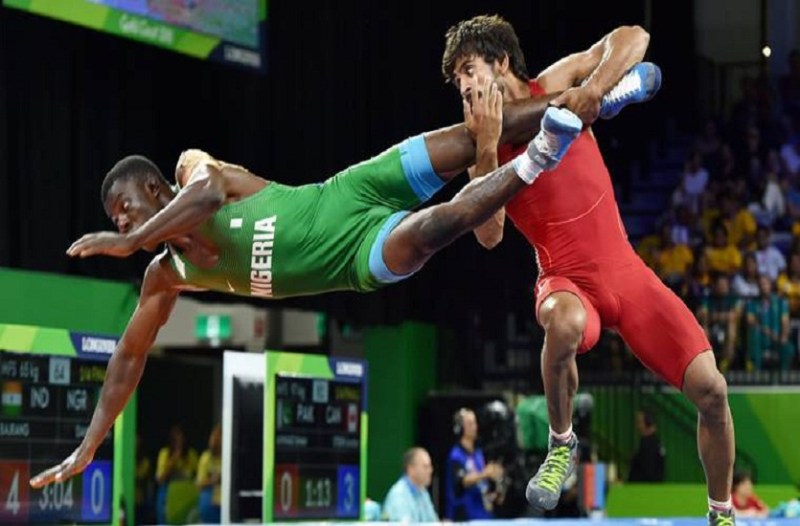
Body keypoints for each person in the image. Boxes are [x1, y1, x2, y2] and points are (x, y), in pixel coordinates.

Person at [30, 35, 649, 489]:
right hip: (353, 258)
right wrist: (89, 444)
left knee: (469, 136)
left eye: (124, 208)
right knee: (436, 229)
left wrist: (122, 242)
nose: (120, 223)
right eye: (113, 219)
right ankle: (541, 153)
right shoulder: (166, 276)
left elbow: (211, 192)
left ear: (157, 191)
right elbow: (128, 358)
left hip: (351, 190)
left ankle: (592, 101)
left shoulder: (196, 173)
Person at [442, 15, 735, 525]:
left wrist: (594, 91)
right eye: (457, 81)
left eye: (469, 69)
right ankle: (561, 444)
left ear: (502, 62)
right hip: (564, 281)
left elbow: (636, 38)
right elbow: (489, 236)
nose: (464, 86)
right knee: (566, 324)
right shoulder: (479, 146)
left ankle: (722, 512)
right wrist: (487, 149)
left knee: (713, 391)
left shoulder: (553, 85)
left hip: (626, 273)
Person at [445, 408, 504, 520]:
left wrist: (494, 494)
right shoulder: (456, 455)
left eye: (475, 422)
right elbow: (462, 481)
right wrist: (486, 473)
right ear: (460, 428)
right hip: (465, 516)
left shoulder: (478, 454)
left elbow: (481, 485)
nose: (474, 427)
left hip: (484, 514)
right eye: (470, 423)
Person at [155, 424, 198, 525]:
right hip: (167, 493)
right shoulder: (164, 453)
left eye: (181, 437)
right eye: (175, 438)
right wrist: (174, 458)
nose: (178, 441)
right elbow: (160, 479)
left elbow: (196, 478)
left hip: (185, 495)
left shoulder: (191, 454)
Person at [382, 447, 438, 522]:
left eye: (430, 466)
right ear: (411, 469)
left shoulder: (423, 492)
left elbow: (433, 522)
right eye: (425, 467)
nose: (430, 470)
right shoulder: (398, 495)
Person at [628, 409, 665, 482]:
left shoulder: (648, 446)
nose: (637, 425)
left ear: (648, 423)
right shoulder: (656, 444)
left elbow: (647, 473)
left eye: (639, 422)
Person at [196, 424, 222, 524]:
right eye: (213, 438)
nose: (214, 441)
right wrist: (213, 480)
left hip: (224, 504)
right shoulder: (206, 457)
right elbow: (199, 484)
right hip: (209, 505)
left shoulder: (228, 458)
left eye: (218, 438)